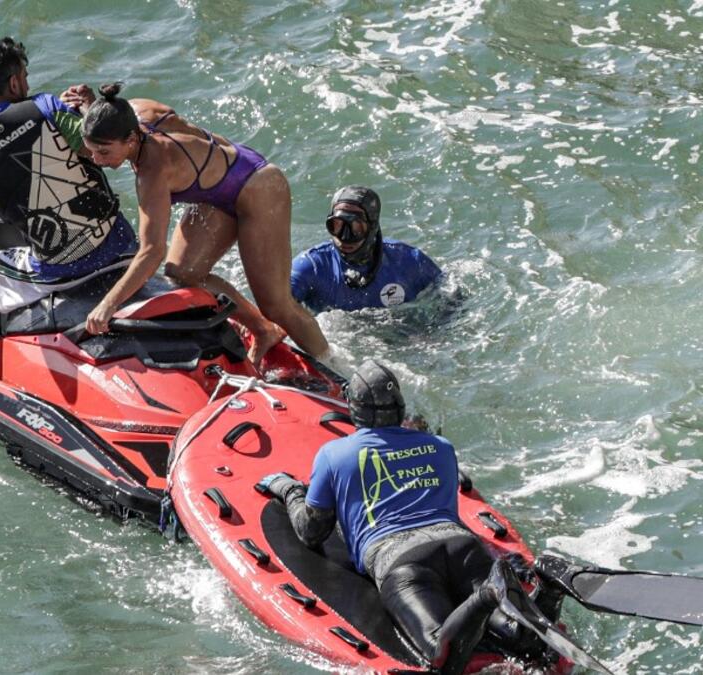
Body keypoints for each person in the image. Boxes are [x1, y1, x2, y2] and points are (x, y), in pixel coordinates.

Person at [257, 360, 527, 674]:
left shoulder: (334, 455)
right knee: (520, 636)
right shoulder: (441, 447)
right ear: (399, 406)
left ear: (354, 408)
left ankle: (485, 598)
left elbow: (312, 531)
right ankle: (537, 591)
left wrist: (289, 490)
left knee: (440, 653)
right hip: (463, 547)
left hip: (402, 561)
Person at [0, 38, 136, 376]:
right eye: (26, 76)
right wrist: (87, 109)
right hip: (120, 245)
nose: (28, 83)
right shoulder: (47, 107)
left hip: (61, 271)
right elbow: (96, 150)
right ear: (15, 82)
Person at [66, 83, 330, 365]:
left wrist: (108, 305)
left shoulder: (153, 171)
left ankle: (333, 365)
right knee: (183, 274)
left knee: (276, 305)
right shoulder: (129, 112)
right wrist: (90, 108)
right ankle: (264, 330)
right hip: (217, 189)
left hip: (258, 187)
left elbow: (152, 252)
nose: (97, 160)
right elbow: (109, 116)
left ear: (130, 139)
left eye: (103, 152)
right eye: (93, 150)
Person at [291, 186, 443, 312]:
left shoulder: (408, 261)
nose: (344, 237)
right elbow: (279, 305)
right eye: (337, 226)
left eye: (356, 228)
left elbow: (448, 300)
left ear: (372, 227)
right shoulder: (312, 267)